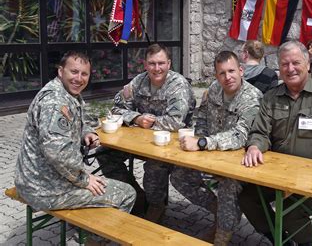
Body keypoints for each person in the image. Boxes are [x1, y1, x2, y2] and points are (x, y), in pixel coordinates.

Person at [239, 40, 312, 245]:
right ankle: (280, 239)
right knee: (247, 198)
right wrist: (255, 145)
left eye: (296, 62)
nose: (290, 68)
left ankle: (306, 243)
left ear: (308, 63)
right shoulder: (271, 97)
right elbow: (260, 130)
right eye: (284, 64)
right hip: (276, 174)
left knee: (290, 212)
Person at [15, 51, 136, 213]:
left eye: (84, 74)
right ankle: (97, 237)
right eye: (74, 72)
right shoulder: (55, 103)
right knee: (126, 193)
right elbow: (57, 153)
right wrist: (84, 179)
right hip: (43, 189)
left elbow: (79, 121)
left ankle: (92, 226)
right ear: (60, 71)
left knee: (107, 178)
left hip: (42, 179)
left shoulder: (69, 94)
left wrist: (86, 133)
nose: (79, 78)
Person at [170, 51, 262, 245]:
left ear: (241, 70)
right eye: (222, 73)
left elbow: (240, 135)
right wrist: (201, 143)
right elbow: (202, 117)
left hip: (240, 162)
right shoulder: (213, 90)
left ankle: (221, 236)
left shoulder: (252, 97)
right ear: (216, 75)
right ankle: (220, 211)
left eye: (231, 71)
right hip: (211, 155)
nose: (227, 77)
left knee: (229, 187)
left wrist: (203, 143)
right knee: (180, 176)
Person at [97, 44, 196, 222]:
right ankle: (135, 195)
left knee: (154, 165)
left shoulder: (178, 85)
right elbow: (116, 109)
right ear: (144, 64)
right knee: (105, 154)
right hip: (140, 142)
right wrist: (136, 119)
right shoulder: (138, 81)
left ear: (169, 63)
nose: (156, 68)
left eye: (161, 63)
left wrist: (148, 124)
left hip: (172, 144)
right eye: (152, 63)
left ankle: (156, 205)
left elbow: (175, 122)